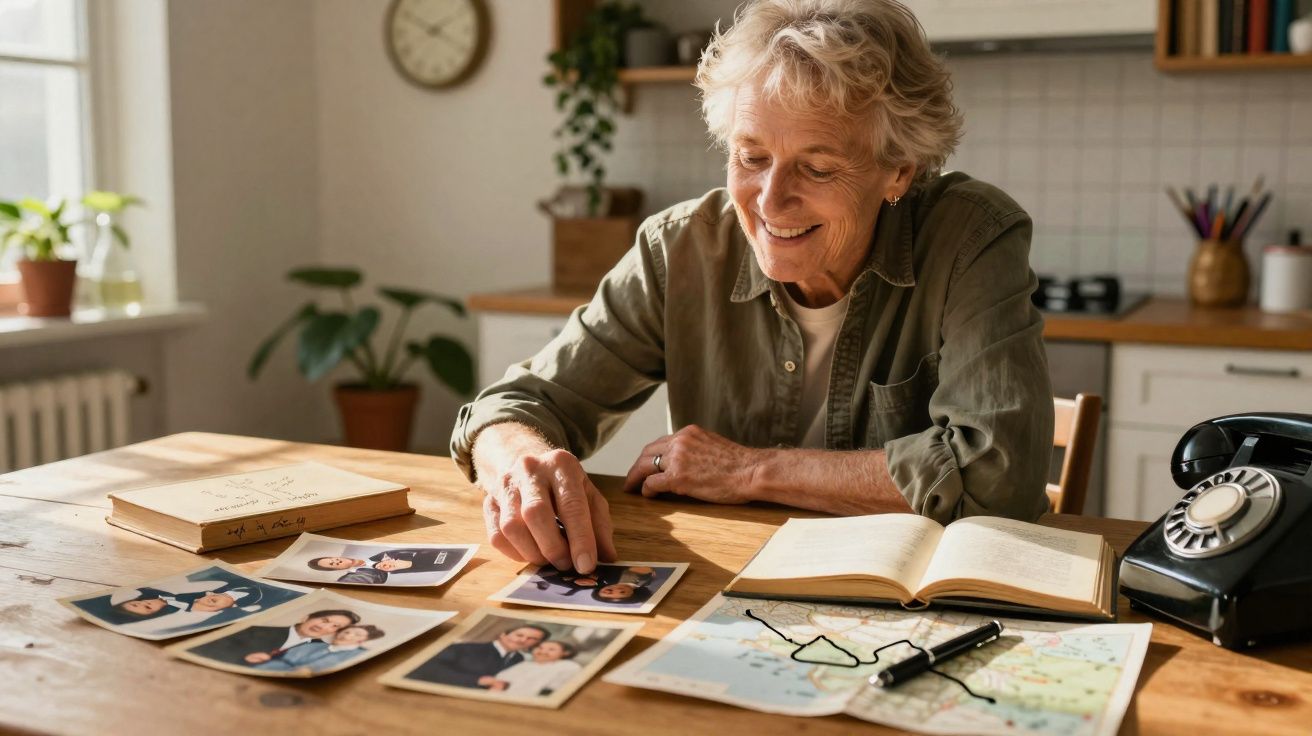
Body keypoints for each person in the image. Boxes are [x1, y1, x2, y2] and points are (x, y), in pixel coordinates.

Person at [451, 0, 1053, 574]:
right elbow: (514, 407)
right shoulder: (681, 248)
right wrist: (517, 464)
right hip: (732, 589)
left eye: (817, 168)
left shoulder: (972, 236)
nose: (769, 201)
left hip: (920, 605)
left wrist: (747, 471)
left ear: (898, 169)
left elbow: (997, 475)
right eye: (751, 156)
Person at [187, 609, 359, 666]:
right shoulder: (257, 630)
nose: (325, 627)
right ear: (307, 617)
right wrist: (243, 659)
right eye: (324, 620)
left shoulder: (320, 650)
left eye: (335, 626)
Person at [406, 625, 549, 689]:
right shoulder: (464, 648)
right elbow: (427, 668)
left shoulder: (519, 660)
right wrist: (478, 680)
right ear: (504, 634)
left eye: (532, 639)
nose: (523, 640)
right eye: (519, 634)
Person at [253, 624, 384, 673]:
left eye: (357, 634)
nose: (348, 634)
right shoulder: (314, 645)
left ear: (361, 640)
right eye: (348, 631)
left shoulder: (361, 655)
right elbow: (282, 662)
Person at [485, 640, 582, 697]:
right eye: (540, 648)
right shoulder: (524, 665)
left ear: (566, 653)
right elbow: (498, 682)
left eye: (551, 649)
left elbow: (554, 690)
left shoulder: (568, 666)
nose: (543, 651)